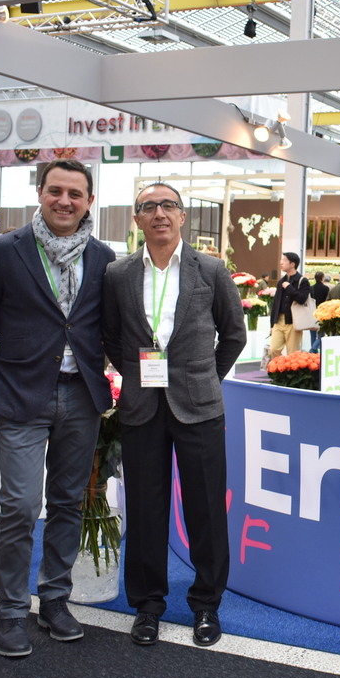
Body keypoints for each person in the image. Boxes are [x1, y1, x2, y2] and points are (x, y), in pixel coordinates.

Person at [0, 159, 115, 659]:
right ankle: (10, 611)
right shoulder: (5, 251)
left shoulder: (103, 257)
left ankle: (54, 600)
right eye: (56, 191)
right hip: (20, 397)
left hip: (81, 397)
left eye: (75, 193)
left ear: (89, 201)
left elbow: (108, 330)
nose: (64, 201)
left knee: (68, 503)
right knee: (21, 506)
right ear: (40, 193)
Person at [102, 182, 246, 647]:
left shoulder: (211, 269)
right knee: (145, 509)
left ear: (182, 216)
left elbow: (235, 334)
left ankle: (206, 605)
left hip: (199, 406)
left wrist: (204, 377)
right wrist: (136, 374)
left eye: (168, 205)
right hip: (142, 406)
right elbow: (111, 336)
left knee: (206, 509)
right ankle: (147, 606)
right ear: (137, 219)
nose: (159, 213)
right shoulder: (118, 274)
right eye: (149, 206)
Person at [265, 251, 310, 360]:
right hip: (279, 320)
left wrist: (289, 288)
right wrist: (272, 324)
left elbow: (302, 299)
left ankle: (289, 370)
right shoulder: (281, 281)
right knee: (274, 349)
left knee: (293, 353)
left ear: (292, 264)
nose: (281, 262)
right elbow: (276, 303)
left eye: (284, 260)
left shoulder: (302, 281)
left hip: (294, 321)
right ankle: (281, 367)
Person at [309, 271, 330, 353]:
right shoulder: (326, 289)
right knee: (321, 333)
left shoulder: (311, 288)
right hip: (322, 312)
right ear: (322, 278)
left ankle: (313, 352)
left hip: (312, 312)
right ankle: (313, 348)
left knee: (313, 332)